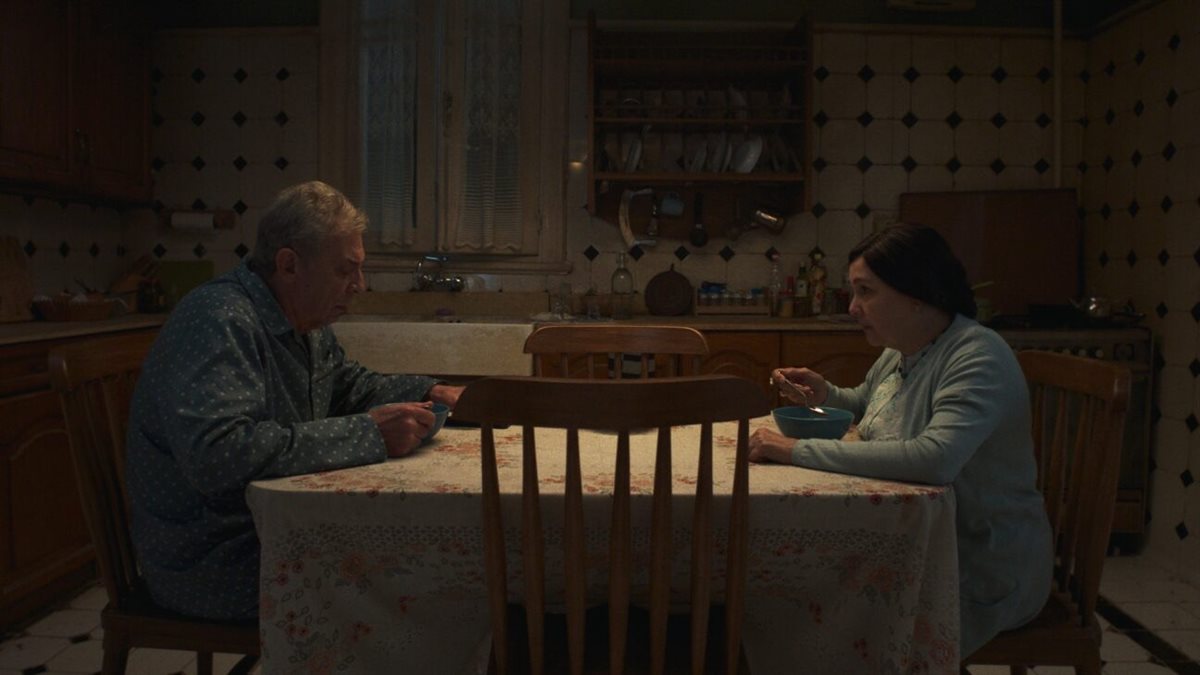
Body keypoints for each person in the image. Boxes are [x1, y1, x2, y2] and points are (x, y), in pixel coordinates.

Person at [126, 181, 463, 621]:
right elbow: (218, 455)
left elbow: (345, 385)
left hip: (271, 528)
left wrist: (429, 392)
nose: (359, 286)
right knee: (409, 574)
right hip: (213, 559)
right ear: (289, 265)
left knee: (421, 557)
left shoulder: (303, 319)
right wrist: (371, 434)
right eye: (345, 271)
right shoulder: (218, 318)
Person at [748, 224, 1052, 659]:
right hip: (910, 545)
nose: (853, 307)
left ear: (917, 293)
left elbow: (935, 458)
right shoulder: (902, 347)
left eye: (866, 292)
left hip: (978, 569)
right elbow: (869, 403)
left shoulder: (977, 356)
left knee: (822, 612)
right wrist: (826, 394)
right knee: (788, 590)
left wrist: (794, 451)